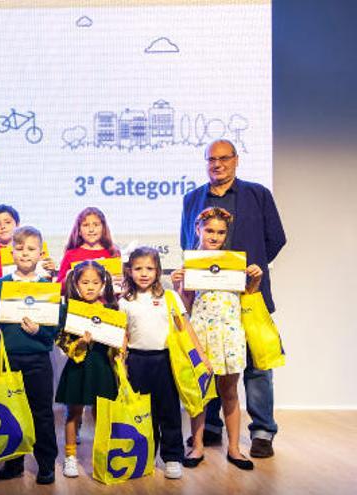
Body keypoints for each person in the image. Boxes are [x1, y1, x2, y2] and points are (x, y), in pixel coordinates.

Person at [180, 139, 286, 458]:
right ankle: (211, 428)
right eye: (212, 159)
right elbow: (187, 242)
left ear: (236, 160)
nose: (218, 164)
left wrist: (244, 271)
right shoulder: (191, 198)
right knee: (208, 362)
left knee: (256, 365)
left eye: (224, 158)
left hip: (249, 296)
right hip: (207, 302)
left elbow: (276, 239)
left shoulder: (258, 194)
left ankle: (263, 431)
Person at [173, 207, 263, 471]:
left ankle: (234, 448)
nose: (214, 236)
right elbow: (187, 305)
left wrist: (254, 279)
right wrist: (179, 285)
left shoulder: (234, 261)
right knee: (199, 393)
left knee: (230, 393)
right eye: (209, 230)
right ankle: (197, 445)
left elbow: (246, 295)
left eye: (220, 232)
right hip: (201, 333)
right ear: (198, 230)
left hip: (229, 333)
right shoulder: (191, 263)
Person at [119, 247, 211, 480]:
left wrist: (200, 355)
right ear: (129, 271)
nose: (144, 273)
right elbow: (124, 333)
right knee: (143, 413)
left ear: (158, 271)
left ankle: (172, 458)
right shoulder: (125, 302)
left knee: (169, 411)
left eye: (149, 268)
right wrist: (121, 360)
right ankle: (147, 454)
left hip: (165, 361)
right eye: (138, 268)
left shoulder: (169, 297)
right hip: (137, 361)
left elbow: (185, 327)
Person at [0, 226, 60, 485]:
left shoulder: (46, 287)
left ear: (40, 253)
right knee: (11, 412)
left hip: (38, 361)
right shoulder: (1, 285)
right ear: (11, 252)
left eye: (31, 249)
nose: (25, 254)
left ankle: (46, 464)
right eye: (19, 249)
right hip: (8, 360)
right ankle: (14, 462)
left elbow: (54, 328)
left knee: (42, 413)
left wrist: (39, 330)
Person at [56, 261, 121, 478]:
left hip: (101, 367)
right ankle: (70, 456)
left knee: (101, 412)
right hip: (78, 367)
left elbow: (117, 340)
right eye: (85, 282)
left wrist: (120, 348)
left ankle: (101, 454)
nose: (90, 287)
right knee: (73, 412)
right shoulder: (70, 309)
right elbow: (62, 341)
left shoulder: (110, 309)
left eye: (95, 282)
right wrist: (81, 343)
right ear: (76, 283)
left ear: (103, 284)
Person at [56, 207, 120, 285]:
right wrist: (70, 278)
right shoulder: (71, 255)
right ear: (79, 230)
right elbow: (58, 287)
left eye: (96, 225)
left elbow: (120, 285)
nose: (91, 229)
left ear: (103, 228)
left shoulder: (113, 253)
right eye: (86, 225)